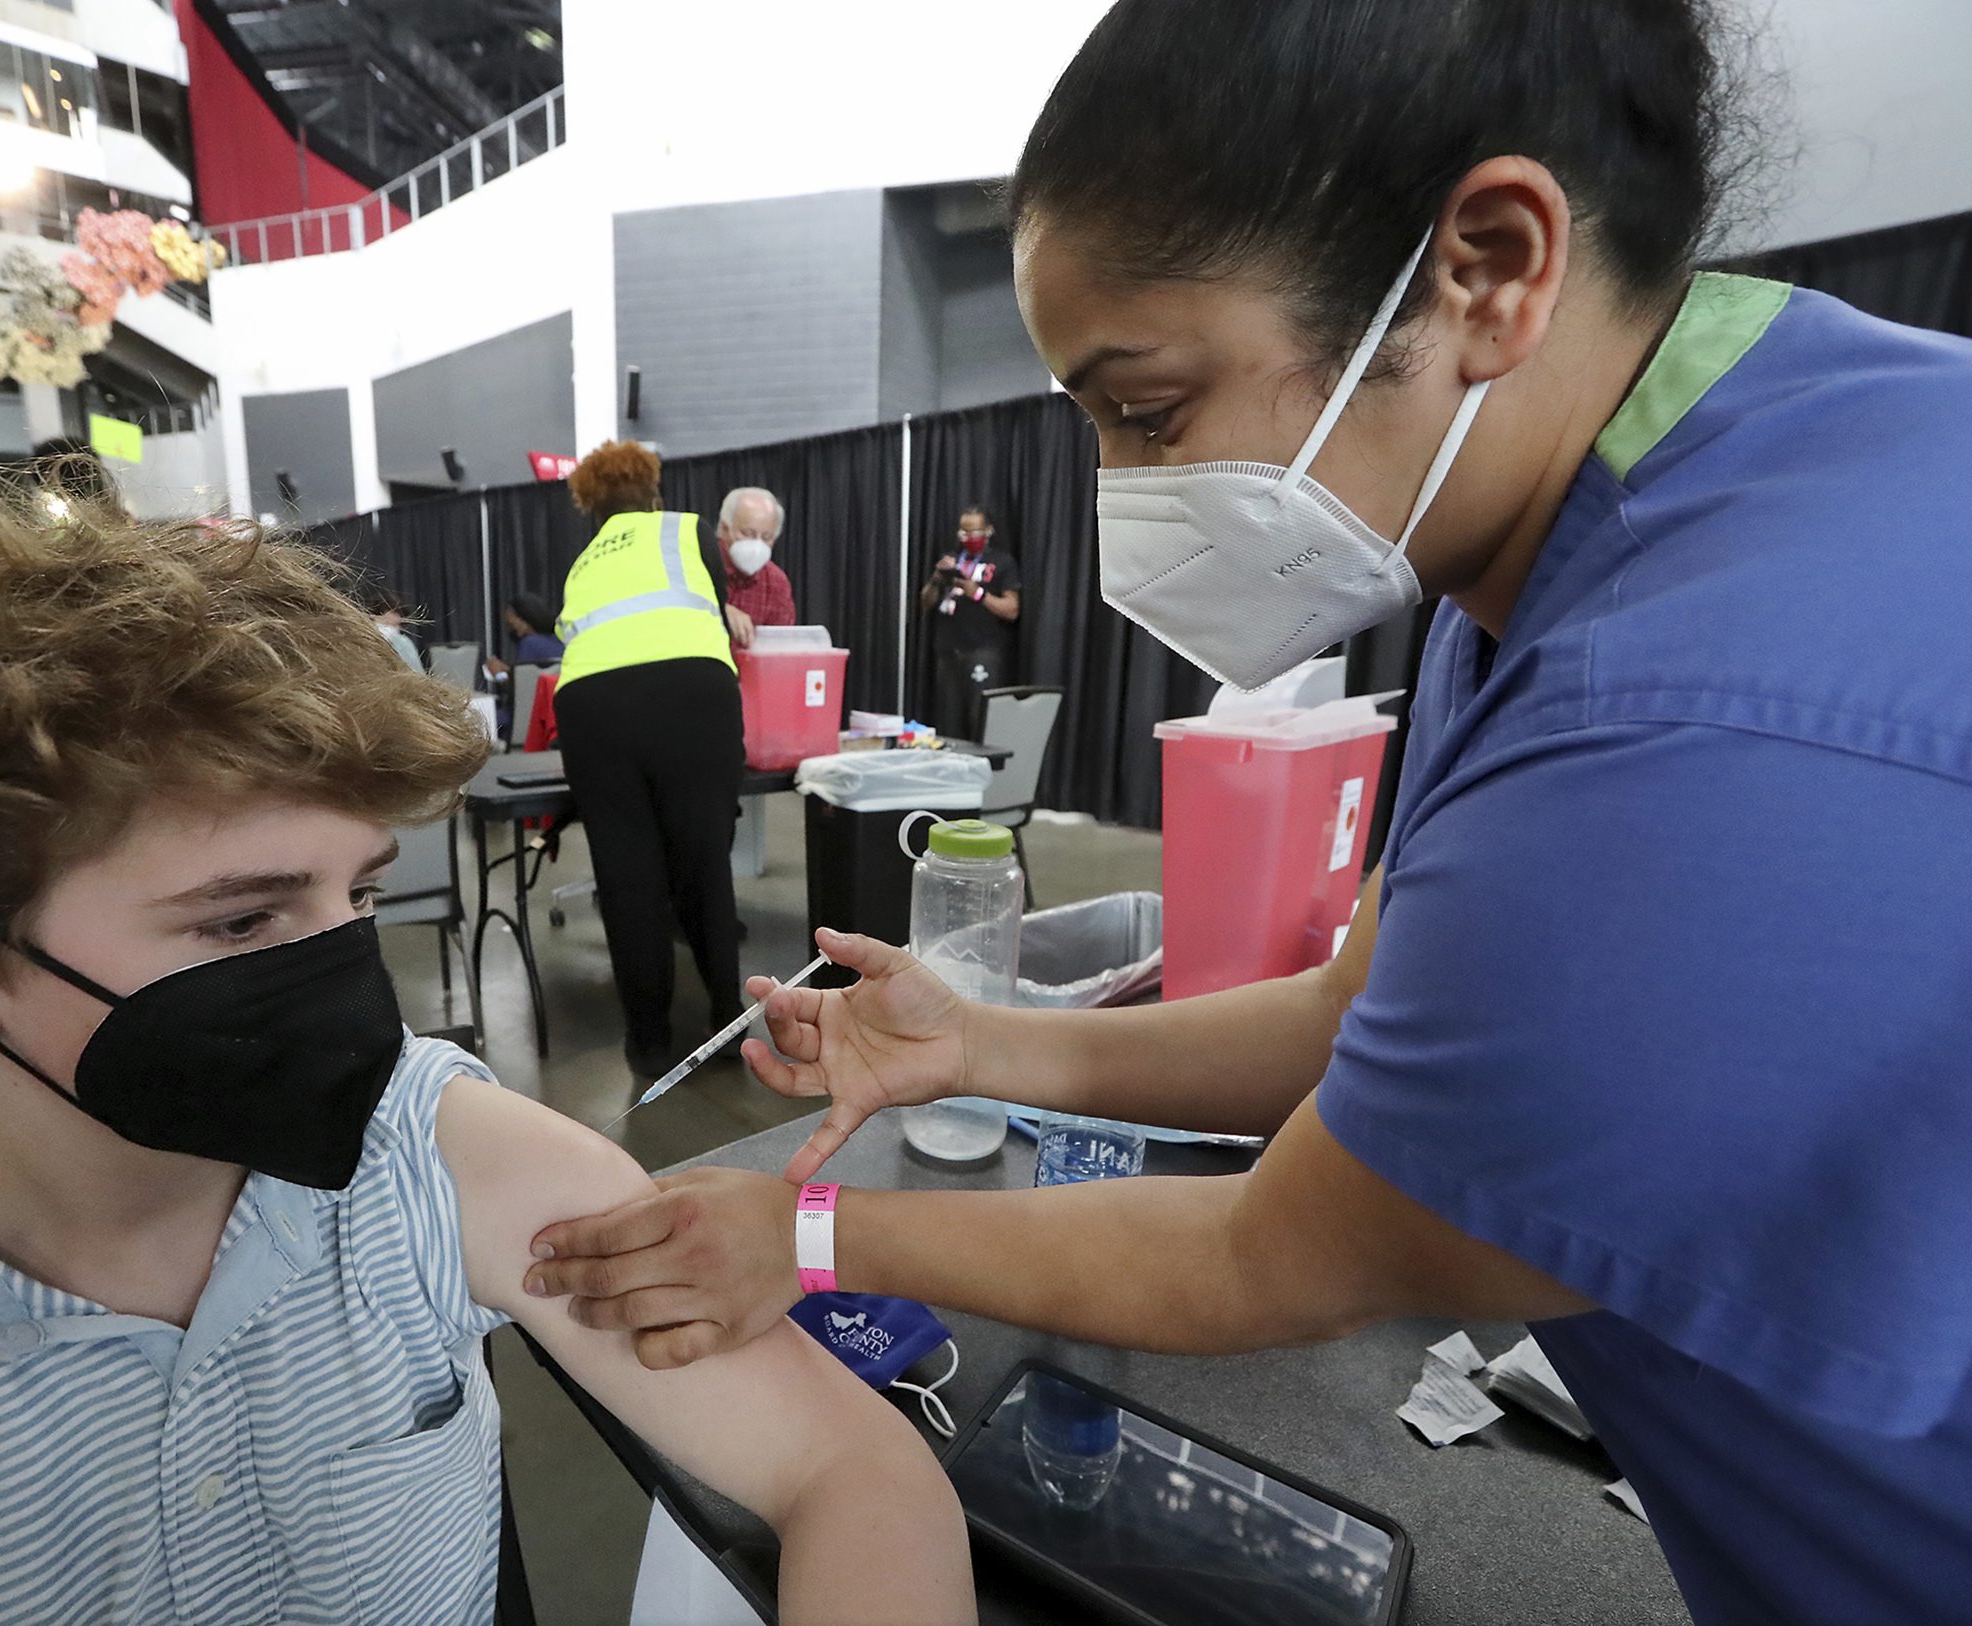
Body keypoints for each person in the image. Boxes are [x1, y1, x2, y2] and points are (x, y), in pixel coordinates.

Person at [519, 3, 1972, 1621]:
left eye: (1150, 413)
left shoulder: (1684, 720)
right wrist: (987, 1042)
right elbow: (1363, 1007)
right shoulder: (1596, 540)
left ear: (1486, 266)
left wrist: (796, 1233)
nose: (1127, 497)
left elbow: (1273, 1258)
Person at [0, 486, 974, 1625]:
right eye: (244, 916)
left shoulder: (438, 1159)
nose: (344, 979)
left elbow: (851, 1472)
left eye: (355, 896)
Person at [552, 442, 748, 1076]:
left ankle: (647, 1043)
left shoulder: (582, 563)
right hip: (689, 696)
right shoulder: (686, 529)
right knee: (703, 862)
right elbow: (711, 614)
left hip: (589, 707)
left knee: (626, 875)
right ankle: (724, 1028)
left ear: (593, 506)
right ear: (653, 493)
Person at [916, 503, 1020, 739]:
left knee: (981, 720)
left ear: (989, 531)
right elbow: (926, 603)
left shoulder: (1002, 562)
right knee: (948, 721)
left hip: (983, 651)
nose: (969, 538)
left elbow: (1012, 610)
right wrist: (936, 579)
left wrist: (978, 593)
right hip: (948, 652)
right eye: (964, 533)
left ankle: (985, 770)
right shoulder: (951, 559)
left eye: (975, 533)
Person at [717, 486, 796, 633]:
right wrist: (718, 610)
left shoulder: (776, 583)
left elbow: (780, 645)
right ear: (724, 528)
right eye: (748, 533)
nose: (757, 544)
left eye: (766, 537)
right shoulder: (696, 566)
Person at [482, 592, 567, 678]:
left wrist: (498, 674)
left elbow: (522, 684)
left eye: (511, 625)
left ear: (523, 619)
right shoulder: (562, 639)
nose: (509, 630)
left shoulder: (529, 644)